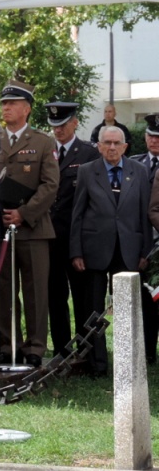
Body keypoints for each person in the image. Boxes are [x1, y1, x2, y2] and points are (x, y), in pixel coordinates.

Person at [72, 126, 151, 377]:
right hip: (94, 250)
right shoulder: (87, 171)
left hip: (128, 250)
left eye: (117, 143)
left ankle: (126, 363)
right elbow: (78, 214)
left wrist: (145, 252)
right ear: (99, 145)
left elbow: (144, 215)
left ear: (126, 146)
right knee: (94, 309)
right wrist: (76, 252)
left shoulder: (139, 171)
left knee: (126, 308)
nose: (112, 147)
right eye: (107, 142)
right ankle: (97, 364)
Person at [0, 80, 59, 368]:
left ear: (27, 109)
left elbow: (50, 185)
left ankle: (34, 347)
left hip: (33, 229)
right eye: (4, 104)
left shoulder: (43, 142)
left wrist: (24, 213)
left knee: (35, 291)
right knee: (4, 290)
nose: (6, 108)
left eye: (12, 104)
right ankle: (9, 344)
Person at [46, 102, 99, 359]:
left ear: (75, 122)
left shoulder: (88, 153)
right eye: (54, 126)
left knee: (83, 298)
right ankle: (61, 351)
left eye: (63, 125)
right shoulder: (46, 151)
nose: (58, 131)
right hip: (50, 237)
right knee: (55, 297)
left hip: (78, 239)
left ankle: (87, 352)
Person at [133, 113, 159, 363]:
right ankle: (148, 351)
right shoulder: (134, 164)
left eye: (158, 137)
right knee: (146, 300)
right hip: (142, 243)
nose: (154, 141)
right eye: (151, 136)